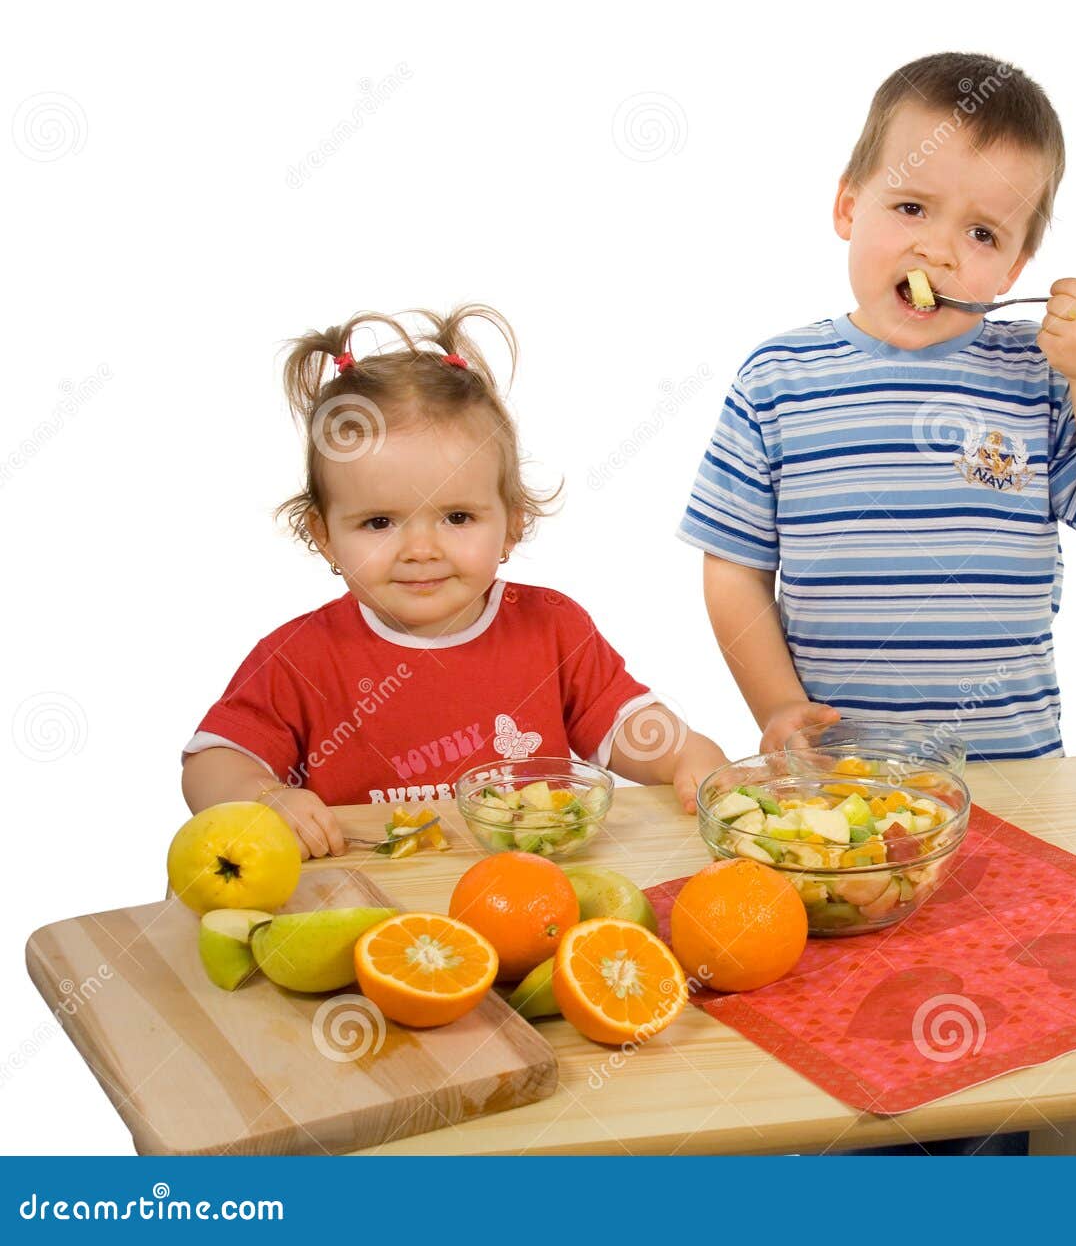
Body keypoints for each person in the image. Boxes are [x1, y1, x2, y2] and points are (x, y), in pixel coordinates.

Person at [680, 52, 1076, 1153]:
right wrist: (776, 707)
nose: (940, 248)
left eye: (984, 234)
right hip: (839, 800)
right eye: (910, 206)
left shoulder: (1034, 378)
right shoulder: (779, 379)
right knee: (854, 1032)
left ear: (1020, 262)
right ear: (848, 206)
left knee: (1046, 1034)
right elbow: (729, 562)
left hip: (1018, 780)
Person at [183, 303, 727, 858]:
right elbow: (211, 763)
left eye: (457, 518)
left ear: (513, 522)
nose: (421, 550)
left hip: (530, 900)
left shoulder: (552, 628)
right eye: (379, 522)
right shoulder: (299, 658)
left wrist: (683, 753)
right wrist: (263, 796)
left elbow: (623, 723)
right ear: (324, 536)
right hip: (374, 912)